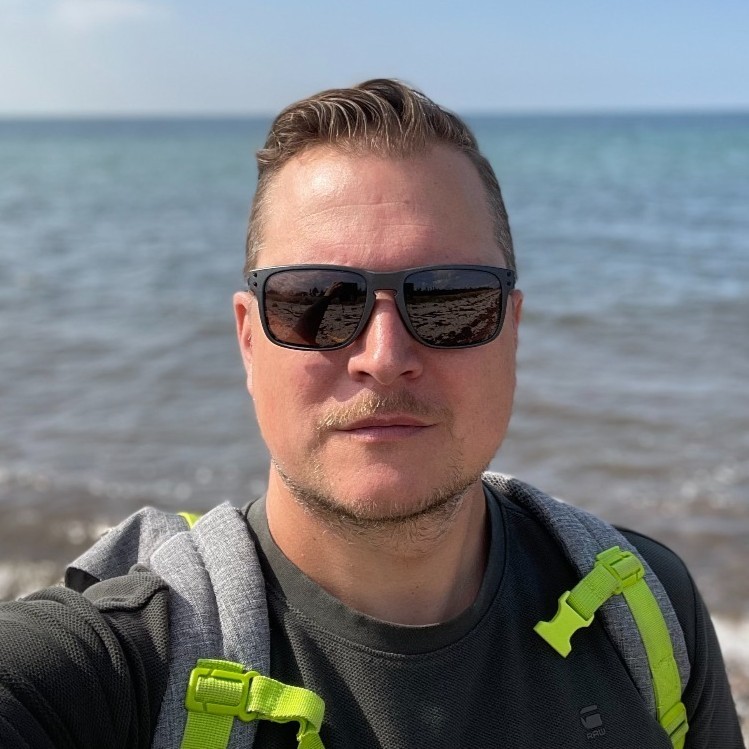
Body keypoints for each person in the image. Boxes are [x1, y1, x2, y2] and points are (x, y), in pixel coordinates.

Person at [0, 79, 744, 749]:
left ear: (510, 329)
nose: (383, 356)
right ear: (249, 340)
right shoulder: (123, 666)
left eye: (449, 299)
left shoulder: (643, 610)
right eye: (316, 302)